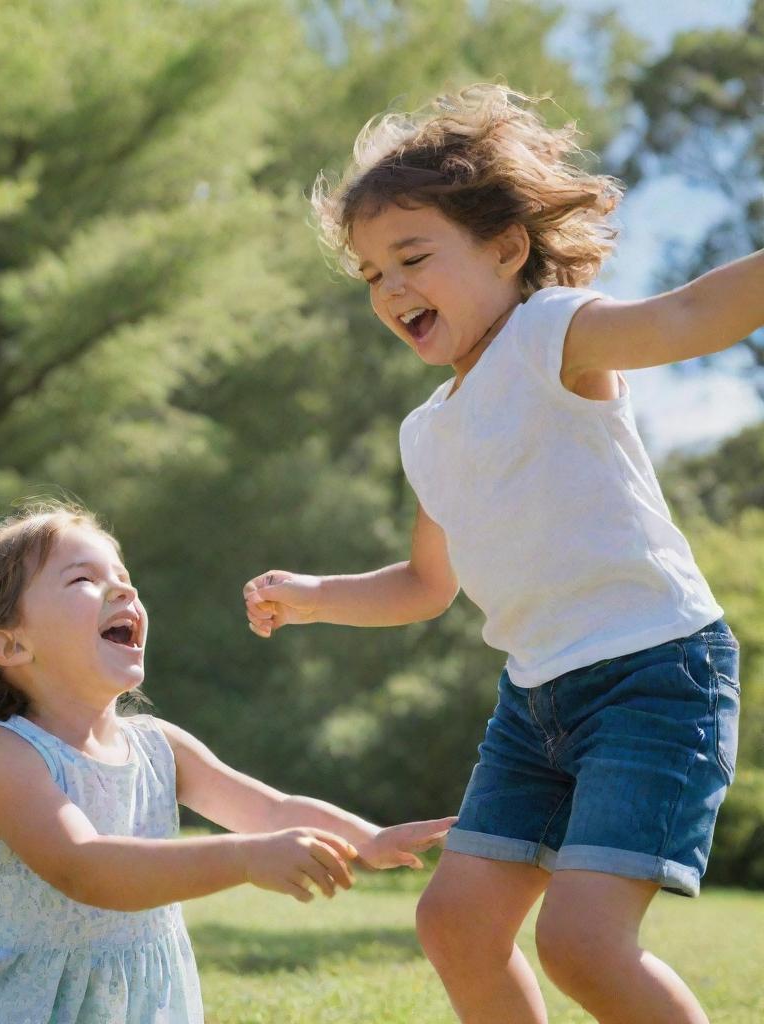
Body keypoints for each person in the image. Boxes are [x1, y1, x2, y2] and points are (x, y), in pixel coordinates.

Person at [243, 84, 751, 1024]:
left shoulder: (553, 336)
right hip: (536, 701)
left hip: (655, 675)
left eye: (412, 257)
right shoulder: (427, 433)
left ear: (507, 248)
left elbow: (687, 319)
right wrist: (315, 595)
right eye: (370, 275)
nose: (391, 289)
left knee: (582, 945)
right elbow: (428, 584)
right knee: (457, 923)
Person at [0, 501, 454, 1023]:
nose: (121, 587)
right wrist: (243, 859)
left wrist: (367, 838)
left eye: (124, 578)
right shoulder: (4, 754)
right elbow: (85, 868)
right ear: (11, 643)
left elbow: (268, 808)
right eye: (83, 579)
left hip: (142, 1001)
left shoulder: (158, 745)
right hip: (23, 1006)